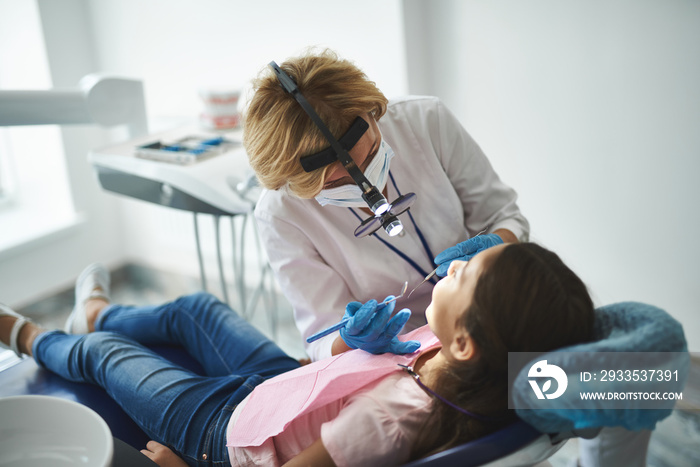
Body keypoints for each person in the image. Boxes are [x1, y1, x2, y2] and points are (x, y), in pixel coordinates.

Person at [0, 242, 594, 466]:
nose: (455, 261)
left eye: (465, 275)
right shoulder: (469, 357)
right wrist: (348, 343)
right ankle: (100, 310)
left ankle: (24, 334)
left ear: (467, 342)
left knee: (105, 354)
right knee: (197, 310)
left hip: (225, 431)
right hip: (287, 385)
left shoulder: (385, 423)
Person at [244, 49, 530, 361]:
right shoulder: (281, 214)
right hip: (396, 358)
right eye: (337, 183)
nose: (368, 186)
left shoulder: (425, 120)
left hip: (497, 310)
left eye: (372, 155)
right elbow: (322, 336)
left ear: (373, 112)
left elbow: (505, 216)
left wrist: (498, 244)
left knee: (558, 383)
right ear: (296, 183)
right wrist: (351, 338)